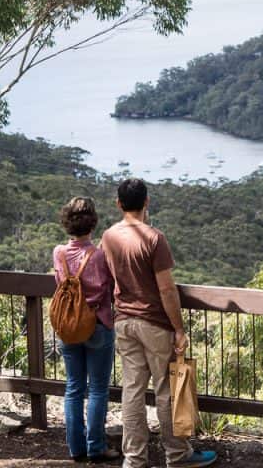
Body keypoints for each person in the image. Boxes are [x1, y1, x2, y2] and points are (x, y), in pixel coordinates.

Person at [101, 178, 217, 468]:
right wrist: (179, 329)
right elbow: (167, 289)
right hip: (154, 322)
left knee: (132, 391)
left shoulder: (109, 236)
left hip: (124, 321)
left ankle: (135, 459)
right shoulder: (154, 238)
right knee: (166, 390)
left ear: (118, 204)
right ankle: (177, 455)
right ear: (147, 202)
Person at [53, 197, 122, 464]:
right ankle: (96, 447)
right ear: (92, 223)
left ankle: (76, 448)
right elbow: (111, 287)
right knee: (97, 390)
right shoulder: (100, 255)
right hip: (98, 324)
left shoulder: (58, 253)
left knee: (73, 388)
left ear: (67, 223)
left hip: (68, 326)